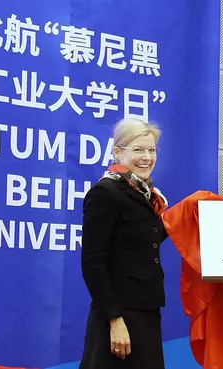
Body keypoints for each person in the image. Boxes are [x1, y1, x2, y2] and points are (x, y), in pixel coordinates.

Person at [79, 118, 169, 369]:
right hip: (117, 317)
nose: (146, 157)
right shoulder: (106, 193)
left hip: (146, 311)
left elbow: (146, 241)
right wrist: (115, 320)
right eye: (138, 150)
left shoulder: (149, 196)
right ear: (118, 152)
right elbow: (92, 263)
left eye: (151, 150)